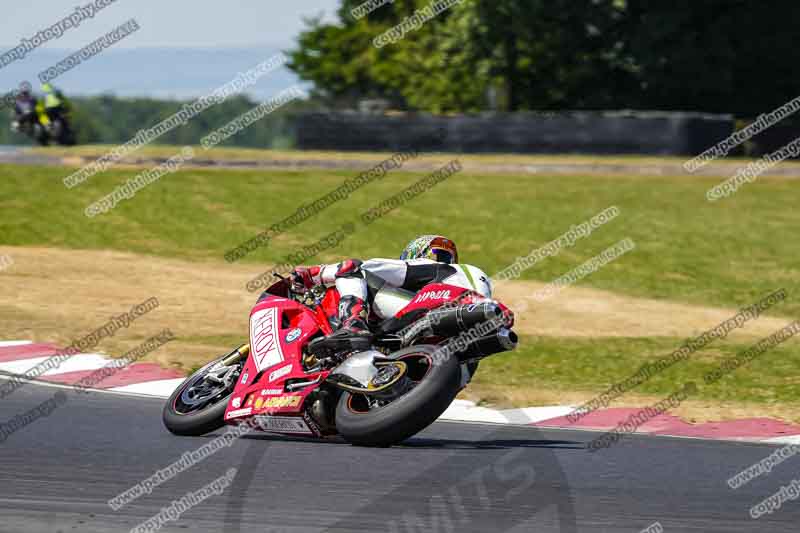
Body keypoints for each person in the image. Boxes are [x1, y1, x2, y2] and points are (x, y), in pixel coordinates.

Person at [290, 235, 461, 351]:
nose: (438, 260)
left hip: (435, 307)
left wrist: (313, 274)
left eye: (443, 257)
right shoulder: (468, 277)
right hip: (451, 335)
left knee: (353, 271)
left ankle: (353, 324)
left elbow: (356, 266)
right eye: (438, 255)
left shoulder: (436, 268)